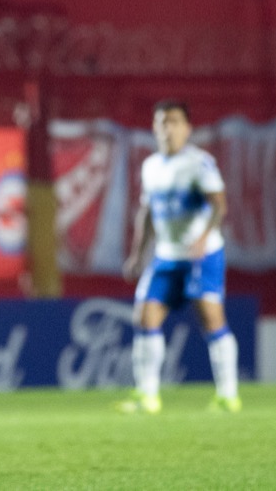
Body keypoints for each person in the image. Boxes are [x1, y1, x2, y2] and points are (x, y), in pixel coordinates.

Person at [117, 99, 241, 414]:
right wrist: (136, 254)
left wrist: (201, 237)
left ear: (187, 128)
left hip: (203, 255)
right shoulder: (151, 167)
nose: (167, 128)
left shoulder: (199, 163)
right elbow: (146, 213)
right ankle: (148, 395)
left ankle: (228, 395)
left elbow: (219, 204)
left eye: (173, 122)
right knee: (145, 316)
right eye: (161, 122)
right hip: (166, 256)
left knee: (211, 319)